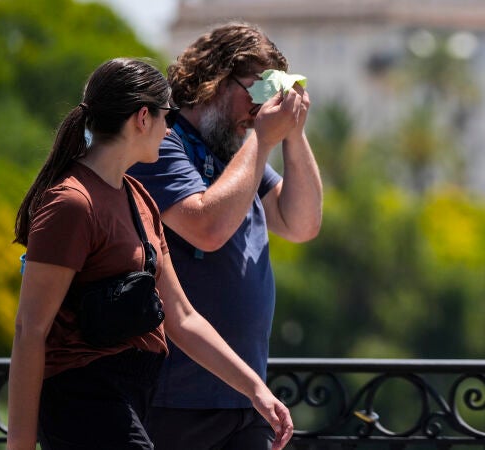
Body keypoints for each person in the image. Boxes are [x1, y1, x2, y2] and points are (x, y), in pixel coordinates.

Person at [7, 58, 293, 450]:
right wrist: (19, 443)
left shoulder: (139, 197)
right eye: (167, 116)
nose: (170, 129)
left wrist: (256, 389)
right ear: (143, 118)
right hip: (83, 398)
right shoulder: (71, 202)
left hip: (133, 397)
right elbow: (30, 329)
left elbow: (183, 317)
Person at [128, 21, 322, 449]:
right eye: (255, 90)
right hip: (175, 398)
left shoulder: (237, 155)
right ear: (214, 78)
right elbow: (206, 229)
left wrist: (294, 133)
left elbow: (301, 223)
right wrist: (263, 139)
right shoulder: (161, 143)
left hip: (246, 396)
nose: (258, 109)